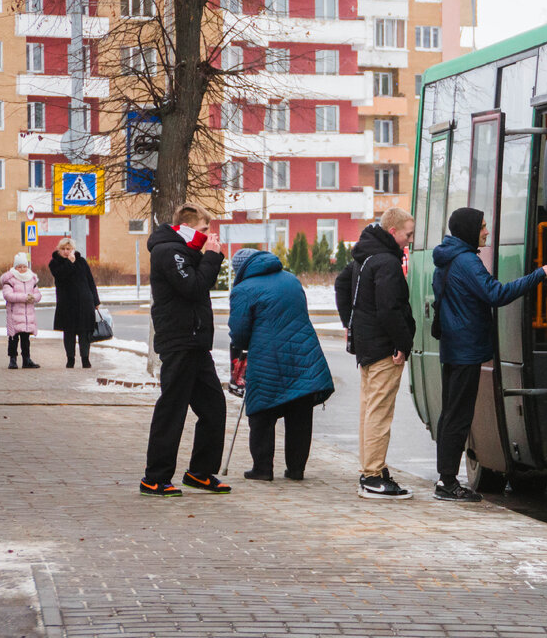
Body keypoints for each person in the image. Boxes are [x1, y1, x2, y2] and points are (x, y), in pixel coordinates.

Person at [431, 207, 547, 502]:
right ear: (470, 230)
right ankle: (447, 483)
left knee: (451, 415)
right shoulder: (467, 261)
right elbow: (496, 294)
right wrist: (540, 274)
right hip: (466, 349)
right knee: (458, 417)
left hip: (454, 347)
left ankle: (445, 479)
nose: (486, 231)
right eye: (482, 227)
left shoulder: (449, 257)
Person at [140, 202, 229, 498]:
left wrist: (206, 255)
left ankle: (200, 472)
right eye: (204, 229)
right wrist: (213, 256)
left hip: (196, 343)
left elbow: (198, 283)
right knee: (173, 410)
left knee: (214, 407)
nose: (208, 235)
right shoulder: (169, 251)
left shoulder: (186, 252)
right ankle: (155, 478)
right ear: (188, 228)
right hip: (179, 341)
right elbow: (193, 287)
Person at [228, 248, 334, 482]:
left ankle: (262, 469)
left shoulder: (243, 290)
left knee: (262, 412)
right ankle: (296, 469)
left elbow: (239, 333)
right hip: (303, 354)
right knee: (299, 413)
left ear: (240, 269)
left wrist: (241, 347)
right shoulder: (291, 279)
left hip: (268, 357)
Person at [335, 207, 417, 500]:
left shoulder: (365, 255)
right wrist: (402, 343)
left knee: (370, 410)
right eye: (408, 234)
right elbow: (389, 309)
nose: (410, 240)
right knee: (380, 413)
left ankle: (373, 469)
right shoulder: (387, 262)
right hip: (383, 347)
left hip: (367, 344)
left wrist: (351, 323)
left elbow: (341, 283)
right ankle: (372, 476)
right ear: (393, 232)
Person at [48, 237, 100, 369]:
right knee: (69, 333)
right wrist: (69, 263)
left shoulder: (81, 261)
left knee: (85, 332)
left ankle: (85, 359)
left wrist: (95, 300)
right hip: (67, 303)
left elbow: (90, 281)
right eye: (63, 249)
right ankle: (70, 359)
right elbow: (61, 276)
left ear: (73, 249)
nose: (66, 252)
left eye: (69, 249)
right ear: (59, 250)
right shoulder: (55, 263)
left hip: (84, 302)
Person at [1, 252, 41, 369]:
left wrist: (33, 298)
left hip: (27, 316)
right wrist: (25, 298)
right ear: (15, 267)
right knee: (13, 338)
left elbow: (38, 294)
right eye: (19, 267)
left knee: (25, 338)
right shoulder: (10, 279)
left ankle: (26, 359)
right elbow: (8, 295)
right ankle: (12, 360)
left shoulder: (32, 279)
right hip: (14, 314)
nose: (22, 269)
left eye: (24, 266)